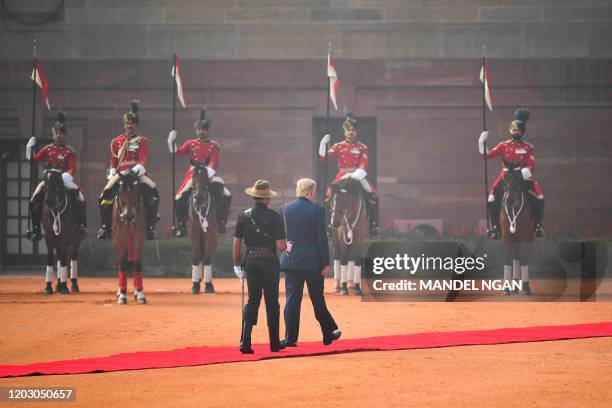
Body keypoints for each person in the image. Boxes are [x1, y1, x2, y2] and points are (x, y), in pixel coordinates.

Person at [279, 178, 341, 347]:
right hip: (313, 262)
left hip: (291, 261)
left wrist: (283, 251)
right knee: (317, 299)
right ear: (311, 192)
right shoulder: (318, 209)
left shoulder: (284, 209)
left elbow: (279, 237)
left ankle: (290, 339)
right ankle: (328, 332)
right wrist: (325, 262)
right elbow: (321, 238)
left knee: (292, 300)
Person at [232, 180, 287, 354]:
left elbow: (236, 245)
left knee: (252, 301)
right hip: (269, 262)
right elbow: (281, 246)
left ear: (254, 196)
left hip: (251, 262)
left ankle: (245, 342)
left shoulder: (243, 216)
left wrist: (236, 266)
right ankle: (274, 343)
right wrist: (288, 246)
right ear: (267, 198)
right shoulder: (275, 217)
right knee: (272, 302)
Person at [96, 101, 160, 240]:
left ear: (136, 126)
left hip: (136, 173)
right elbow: (114, 160)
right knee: (104, 195)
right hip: (120, 174)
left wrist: (135, 171)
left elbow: (143, 159)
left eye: (132, 124)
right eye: (127, 124)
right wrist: (113, 170)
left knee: (153, 192)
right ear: (124, 125)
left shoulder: (142, 141)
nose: (129, 126)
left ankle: (150, 228)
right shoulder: (117, 141)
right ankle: (105, 228)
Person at [479, 108, 545, 239]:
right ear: (510, 131)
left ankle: (538, 226)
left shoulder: (528, 147)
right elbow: (488, 155)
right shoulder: (504, 145)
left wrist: (524, 172)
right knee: (492, 198)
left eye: (518, 130)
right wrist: (482, 142)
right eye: (513, 130)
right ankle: (495, 228)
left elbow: (531, 164)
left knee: (539, 196)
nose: (516, 132)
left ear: (522, 131)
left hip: (521, 176)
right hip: (506, 176)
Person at [167, 110, 232, 237]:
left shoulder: (214, 146)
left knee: (226, 194)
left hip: (208, 173)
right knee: (178, 199)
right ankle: (181, 226)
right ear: (196, 130)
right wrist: (171, 141)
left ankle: (222, 222)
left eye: (203, 129)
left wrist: (205, 172)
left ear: (207, 131)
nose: (201, 132)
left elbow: (213, 164)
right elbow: (177, 153)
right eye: (199, 129)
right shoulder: (190, 144)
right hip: (193, 175)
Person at [26, 111, 87, 241]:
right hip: (48, 181)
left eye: (61, 133)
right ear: (53, 135)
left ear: (64, 135)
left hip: (64, 179)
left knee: (81, 198)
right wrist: (29, 147)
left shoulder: (69, 151)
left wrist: (61, 177)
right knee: (33, 200)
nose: (59, 136)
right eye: (56, 133)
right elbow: (32, 161)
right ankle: (36, 230)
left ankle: (81, 226)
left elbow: (72, 169)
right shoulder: (47, 149)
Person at [319, 112, 379, 237]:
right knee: (328, 196)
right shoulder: (338, 146)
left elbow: (364, 163)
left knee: (373, 195)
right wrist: (323, 144)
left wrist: (357, 174)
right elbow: (324, 158)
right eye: (348, 130)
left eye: (353, 130)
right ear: (344, 132)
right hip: (342, 176)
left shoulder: (363, 147)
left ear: (357, 132)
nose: (351, 132)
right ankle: (329, 227)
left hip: (357, 175)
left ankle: (374, 226)